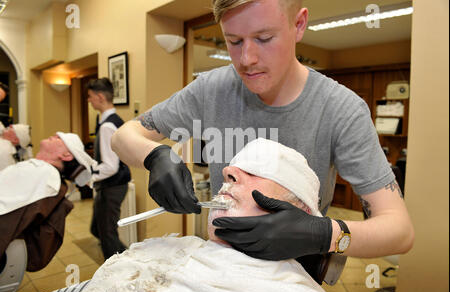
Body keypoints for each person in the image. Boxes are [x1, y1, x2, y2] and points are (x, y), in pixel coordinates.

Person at [111, 0, 414, 262]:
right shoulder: (211, 89)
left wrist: (323, 234)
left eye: (264, 38)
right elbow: (123, 136)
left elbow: (398, 231)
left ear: (299, 24)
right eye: (234, 41)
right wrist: (155, 156)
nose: (247, 60)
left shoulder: (340, 109)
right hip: (224, 265)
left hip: (295, 272)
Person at [44, 138, 330, 292]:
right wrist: (156, 154)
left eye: (256, 172)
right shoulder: (173, 248)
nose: (228, 173)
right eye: (233, 168)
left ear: (299, 211)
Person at [0, 132, 97, 274]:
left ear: (66, 156)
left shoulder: (47, 176)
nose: (54, 135)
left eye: (59, 138)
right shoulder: (40, 171)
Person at [86, 77, 131, 260]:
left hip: (112, 186)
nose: (88, 100)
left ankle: (122, 269)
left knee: (107, 236)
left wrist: (88, 174)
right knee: (97, 229)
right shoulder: (114, 120)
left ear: (100, 97)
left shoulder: (107, 126)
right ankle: (128, 258)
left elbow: (110, 167)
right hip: (113, 185)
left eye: (89, 96)